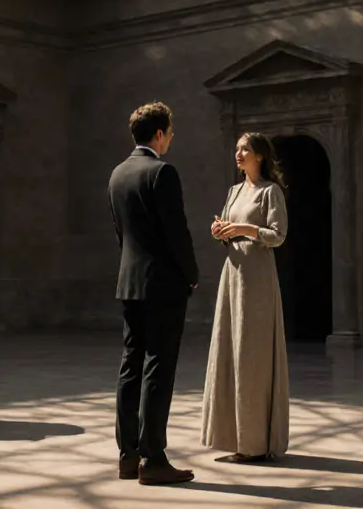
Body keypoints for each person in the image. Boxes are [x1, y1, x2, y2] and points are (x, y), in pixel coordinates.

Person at [108, 102, 199, 485]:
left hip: (130, 282)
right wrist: (191, 274)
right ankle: (154, 458)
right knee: (158, 367)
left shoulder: (117, 174)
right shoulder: (162, 172)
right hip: (163, 284)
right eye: (170, 134)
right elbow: (176, 232)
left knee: (131, 365)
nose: (170, 140)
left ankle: (128, 456)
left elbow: (122, 234)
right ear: (159, 134)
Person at [201, 132, 290, 463]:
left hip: (258, 279)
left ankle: (255, 443)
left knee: (252, 356)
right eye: (237, 148)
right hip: (233, 275)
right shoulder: (234, 191)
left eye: (246, 149)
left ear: (260, 156)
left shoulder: (270, 192)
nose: (238, 153)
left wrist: (243, 230)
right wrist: (220, 231)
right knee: (231, 352)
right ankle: (234, 438)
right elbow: (229, 230)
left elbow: (278, 235)